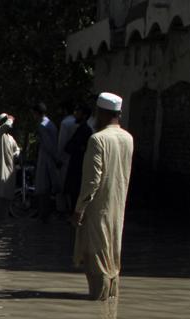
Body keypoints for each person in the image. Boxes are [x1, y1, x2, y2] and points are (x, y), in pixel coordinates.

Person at [71, 93, 134, 300]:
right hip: (118, 210)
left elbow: (92, 181)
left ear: (102, 113)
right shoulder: (128, 138)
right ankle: (108, 313)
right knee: (113, 259)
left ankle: (98, 310)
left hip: (98, 209)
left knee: (97, 260)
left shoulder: (98, 139)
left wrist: (79, 209)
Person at [31, 102, 62, 224]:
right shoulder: (50, 124)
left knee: (44, 188)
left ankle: (44, 215)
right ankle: (45, 215)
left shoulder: (42, 125)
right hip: (49, 158)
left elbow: (48, 145)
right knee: (47, 188)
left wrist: (55, 158)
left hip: (47, 160)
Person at [62, 102, 94, 214]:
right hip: (76, 166)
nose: (75, 114)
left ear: (84, 115)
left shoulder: (85, 130)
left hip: (79, 168)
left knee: (76, 194)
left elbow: (71, 146)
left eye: (78, 112)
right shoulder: (80, 129)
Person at [56, 101, 78, 212]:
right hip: (77, 159)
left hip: (66, 159)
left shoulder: (66, 123)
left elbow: (62, 143)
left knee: (63, 185)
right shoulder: (80, 122)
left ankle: (63, 210)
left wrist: (59, 158)